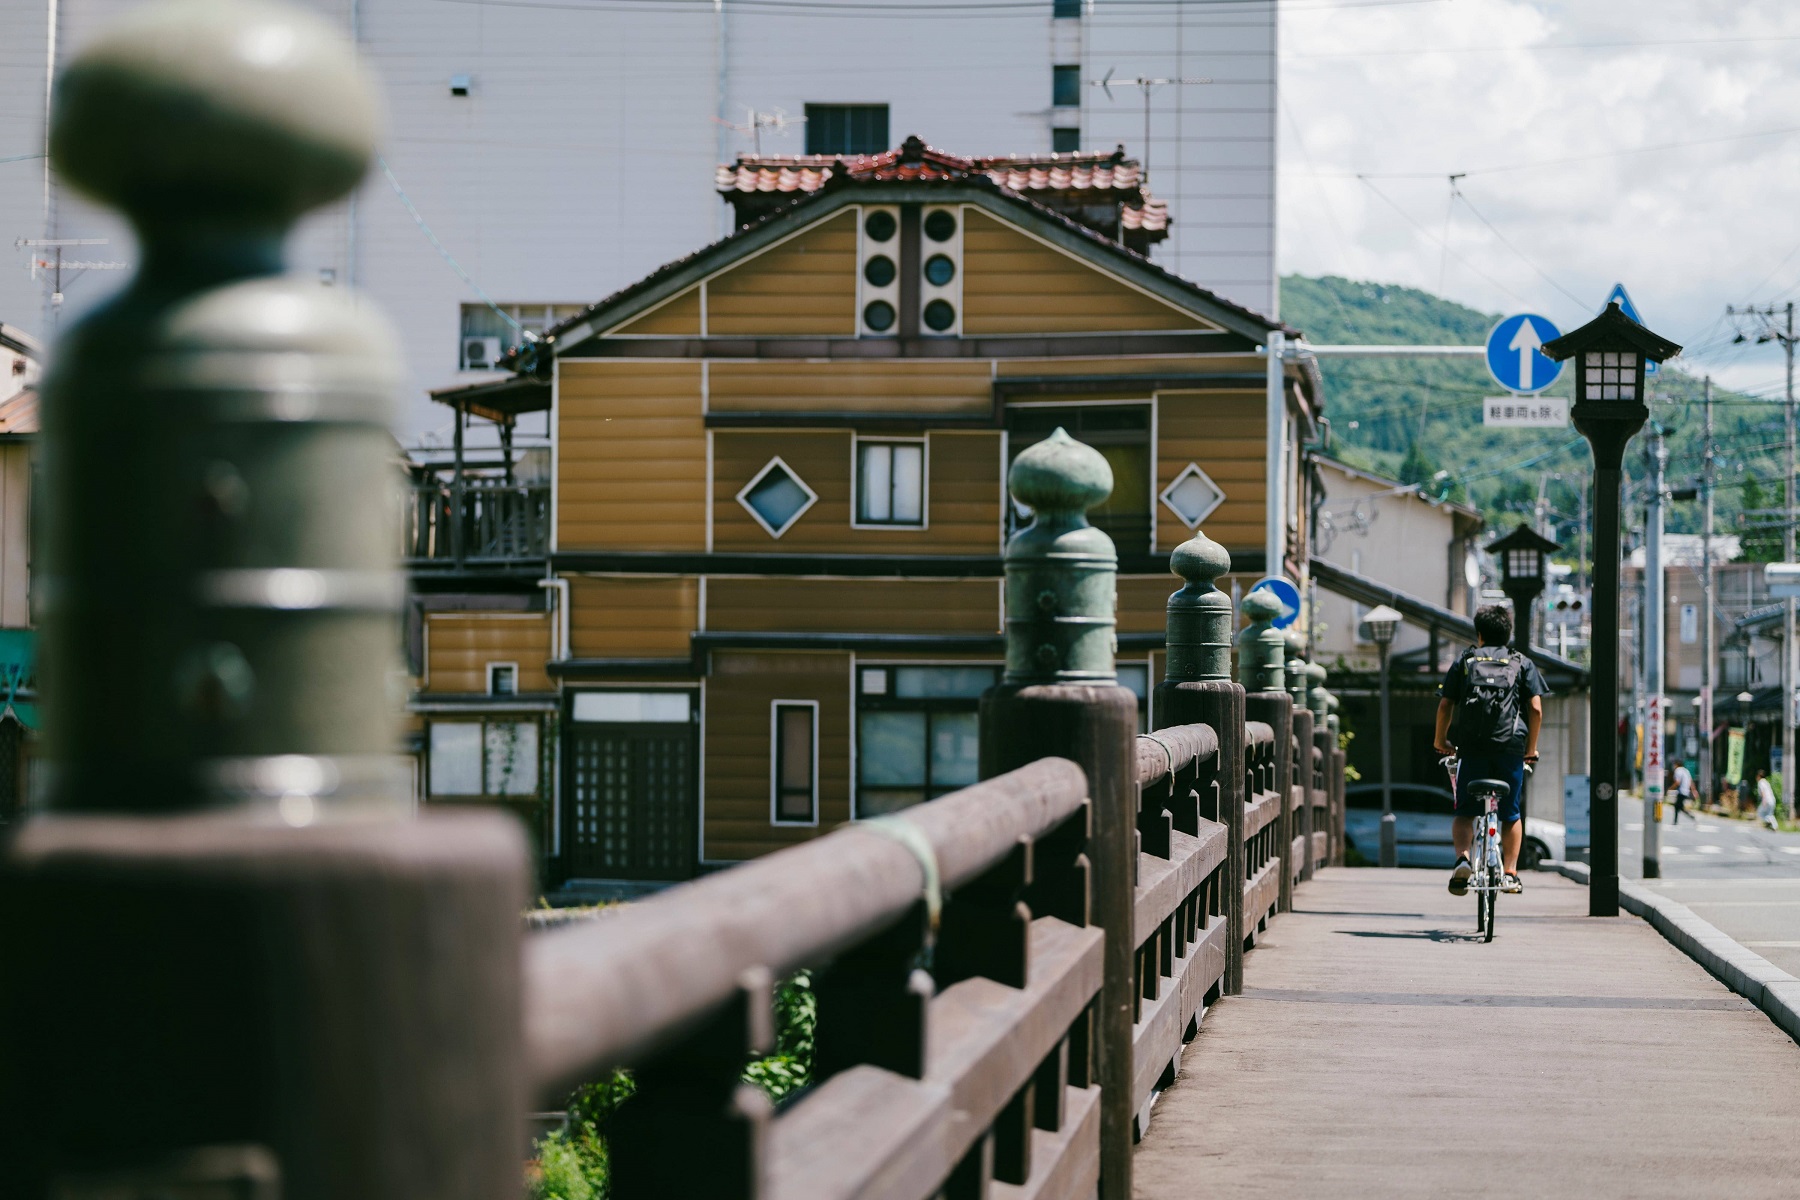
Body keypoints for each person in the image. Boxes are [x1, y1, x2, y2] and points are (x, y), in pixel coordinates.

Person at [1433, 604, 1548, 897]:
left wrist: (1441, 741)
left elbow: (1446, 704)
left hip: (1472, 748)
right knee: (1510, 814)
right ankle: (1510, 873)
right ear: (1507, 633)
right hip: (1511, 746)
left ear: (1480, 633)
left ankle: (1463, 859)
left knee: (1464, 811)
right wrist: (1530, 749)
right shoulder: (1521, 662)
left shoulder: (1466, 660)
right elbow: (1535, 709)